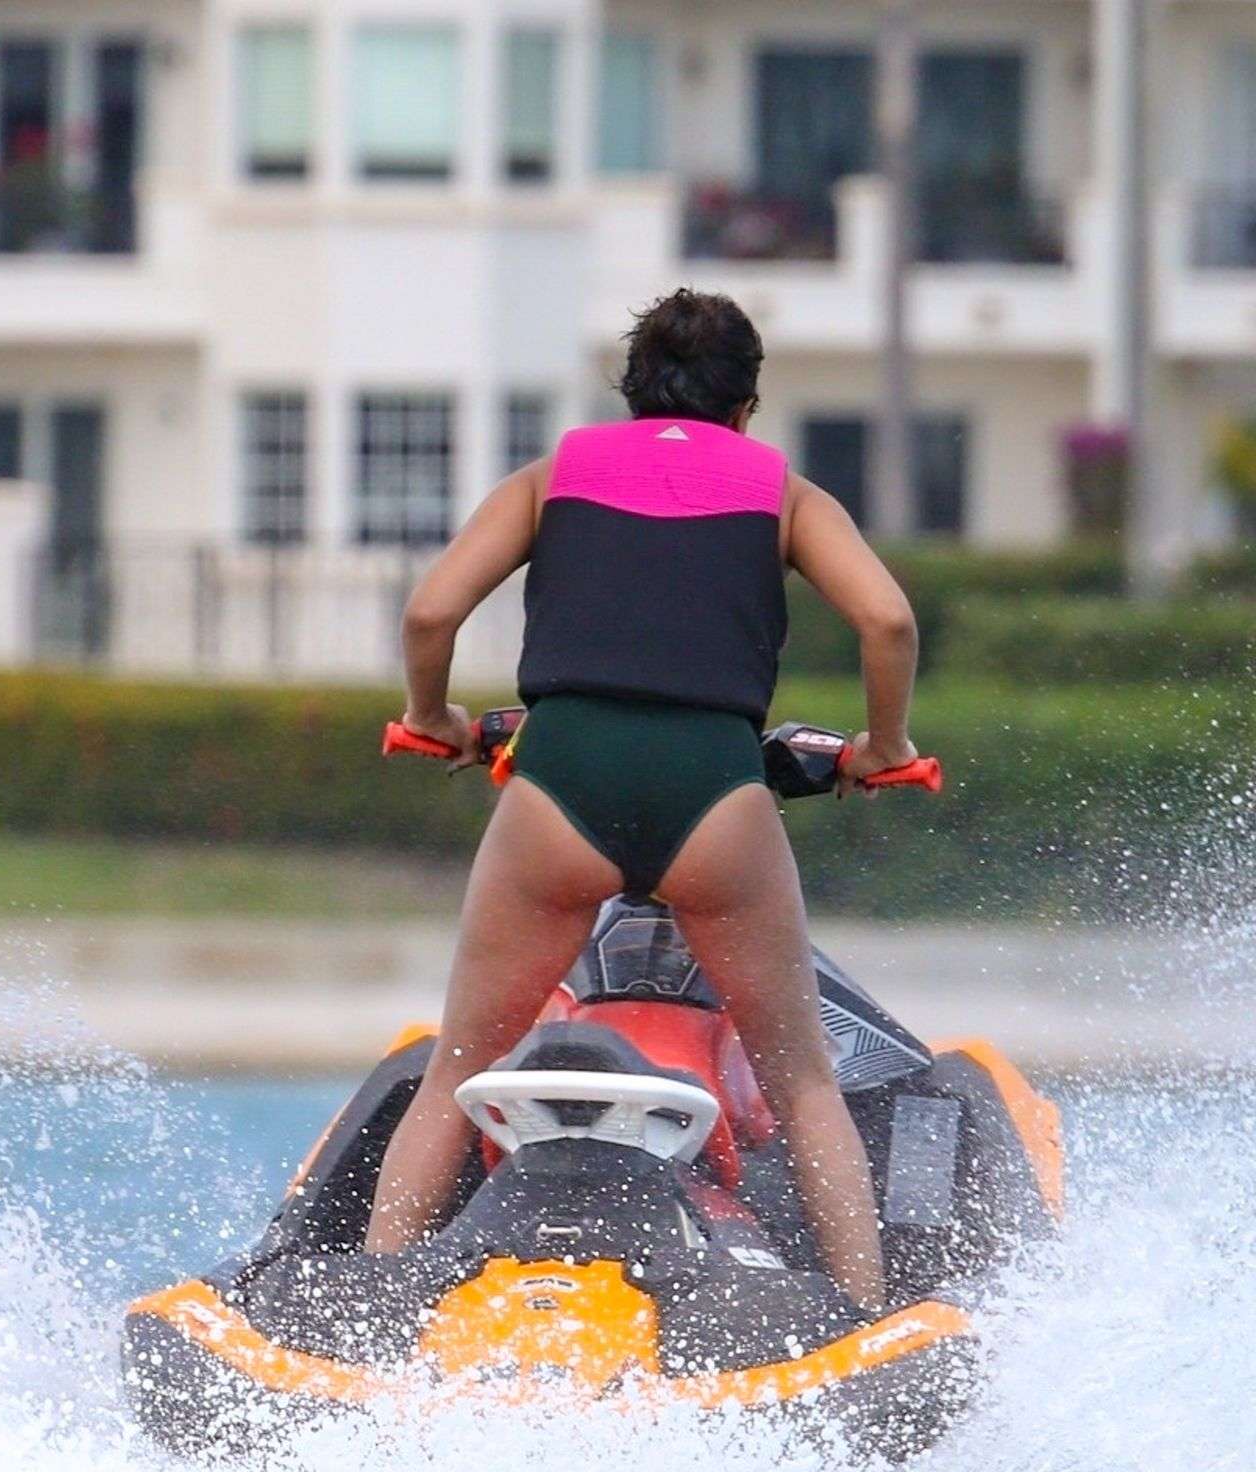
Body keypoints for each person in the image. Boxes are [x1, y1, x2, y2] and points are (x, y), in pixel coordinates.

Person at [365, 288, 920, 1320]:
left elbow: (431, 609)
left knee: (456, 1070)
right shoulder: (786, 495)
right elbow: (886, 621)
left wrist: (431, 715)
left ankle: (374, 1305)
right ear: (747, 405)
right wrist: (883, 745)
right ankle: (860, 1318)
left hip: (559, 785)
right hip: (715, 796)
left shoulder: (551, 476)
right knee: (803, 1085)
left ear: (629, 393)